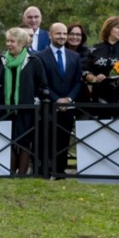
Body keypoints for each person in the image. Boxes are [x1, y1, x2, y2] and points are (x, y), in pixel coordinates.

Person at [0, 27, 49, 175]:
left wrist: (35, 100)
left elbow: (43, 85)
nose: (9, 44)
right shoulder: (2, 60)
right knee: (6, 140)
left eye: (12, 41)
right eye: (7, 40)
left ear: (22, 43)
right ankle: (8, 172)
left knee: (24, 142)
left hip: (26, 110)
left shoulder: (34, 61)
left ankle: (22, 174)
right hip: (4, 108)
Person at [35, 22, 82, 175]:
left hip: (68, 108)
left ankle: (61, 172)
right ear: (50, 35)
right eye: (58, 33)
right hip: (49, 107)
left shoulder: (74, 56)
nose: (62, 37)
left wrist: (68, 99)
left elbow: (78, 81)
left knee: (64, 140)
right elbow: (42, 83)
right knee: (46, 139)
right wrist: (57, 100)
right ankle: (45, 171)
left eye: (64, 34)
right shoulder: (40, 57)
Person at [84, 16, 119, 110]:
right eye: (118, 27)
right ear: (109, 28)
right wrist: (95, 78)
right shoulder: (95, 49)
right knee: (102, 124)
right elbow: (85, 72)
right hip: (100, 97)